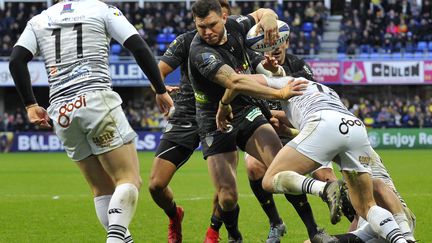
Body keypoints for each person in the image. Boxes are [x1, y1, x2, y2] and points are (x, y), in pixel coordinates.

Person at [9, 1, 173, 242]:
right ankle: (115, 238)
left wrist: (31, 105)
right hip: (95, 99)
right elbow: (137, 46)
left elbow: (16, 60)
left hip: (62, 111)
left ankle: (120, 238)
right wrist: (160, 89)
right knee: (128, 179)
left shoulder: (38, 20)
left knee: (102, 189)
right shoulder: (101, 9)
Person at [217, 76, 410, 243]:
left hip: (324, 123)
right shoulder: (324, 90)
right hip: (354, 126)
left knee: (269, 180)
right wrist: (280, 124)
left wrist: (224, 104)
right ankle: (405, 238)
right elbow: (297, 116)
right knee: (367, 206)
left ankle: (324, 189)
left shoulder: (285, 82)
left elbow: (237, 81)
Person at [188, 1, 309, 242]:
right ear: (195, 24)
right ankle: (235, 236)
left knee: (281, 168)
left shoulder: (236, 25)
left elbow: (263, 13)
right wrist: (279, 94)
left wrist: (270, 18)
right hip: (213, 119)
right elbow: (235, 82)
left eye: (212, 25)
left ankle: (314, 230)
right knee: (228, 196)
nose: (207, 32)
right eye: (201, 27)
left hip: (244, 108)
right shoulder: (199, 51)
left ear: (224, 17)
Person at [245, 37, 339, 242]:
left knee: (325, 176)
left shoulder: (299, 66)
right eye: (269, 46)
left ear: (286, 43)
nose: (275, 49)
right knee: (253, 166)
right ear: (260, 48)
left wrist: (276, 118)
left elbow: (306, 100)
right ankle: (278, 223)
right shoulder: (253, 66)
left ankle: (356, 221)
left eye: (278, 44)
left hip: (298, 129)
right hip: (266, 128)